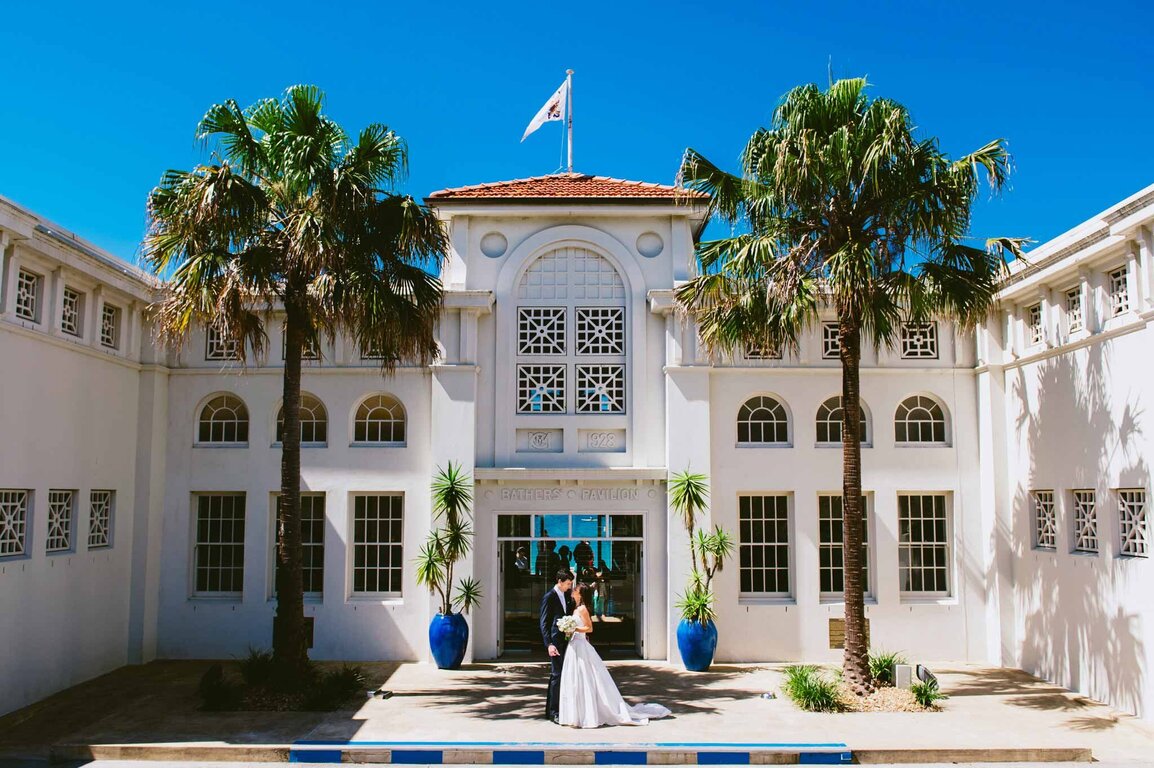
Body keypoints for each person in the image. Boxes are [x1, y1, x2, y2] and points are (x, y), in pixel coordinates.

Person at [558, 582, 670, 728]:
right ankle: (577, 714)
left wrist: (574, 628)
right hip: (574, 645)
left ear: (581, 593)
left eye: (576, 590)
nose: (573, 591)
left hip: (580, 645)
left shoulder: (583, 609)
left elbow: (589, 628)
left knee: (585, 677)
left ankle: (588, 714)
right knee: (575, 678)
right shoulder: (576, 608)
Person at [539, 569, 575, 723]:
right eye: (567, 583)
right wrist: (549, 644)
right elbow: (544, 622)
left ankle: (550, 710)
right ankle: (554, 712)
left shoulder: (565, 595)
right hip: (555, 641)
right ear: (560, 582)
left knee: (558, 675)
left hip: (564, 640)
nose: (569, 586)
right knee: (556, 675)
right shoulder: (549, 597)